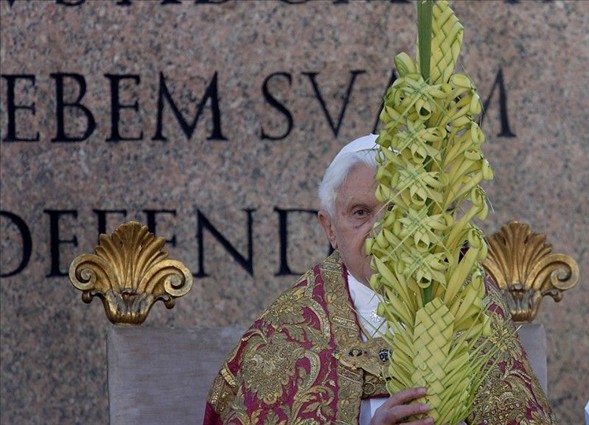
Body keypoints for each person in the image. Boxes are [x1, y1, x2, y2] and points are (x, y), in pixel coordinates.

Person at [203, 134, 556, 425]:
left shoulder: (470, 301)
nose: (383, 233)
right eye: (361, 213)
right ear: (330, 228)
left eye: (400, 213)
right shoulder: (287, 333)